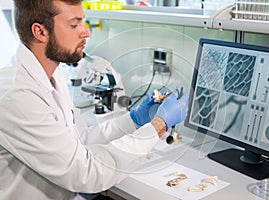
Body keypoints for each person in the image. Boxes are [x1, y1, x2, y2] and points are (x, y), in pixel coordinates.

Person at [0, 0, 189, 200]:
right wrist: (158, 125)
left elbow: (81, 139)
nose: (85, 32)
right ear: (40, 32)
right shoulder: (16, 95)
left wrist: (133, 120)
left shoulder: (52, 77)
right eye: (74, 25)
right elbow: (86, 173)